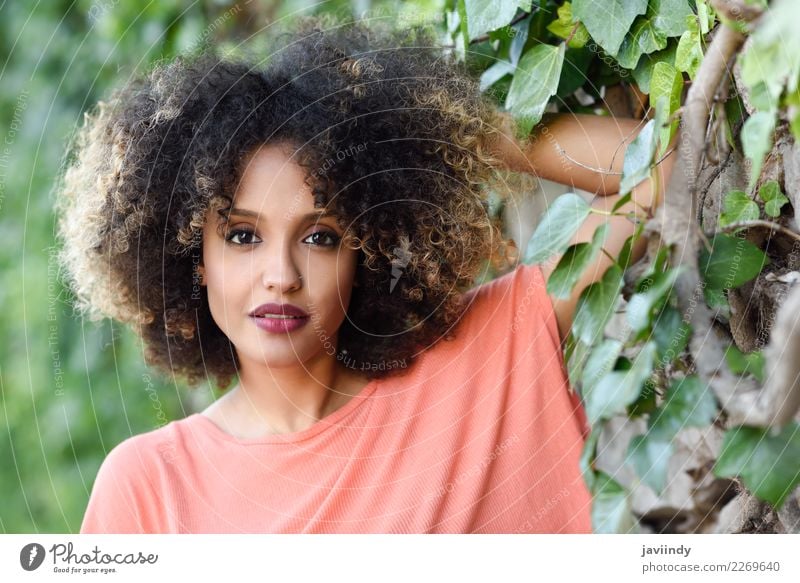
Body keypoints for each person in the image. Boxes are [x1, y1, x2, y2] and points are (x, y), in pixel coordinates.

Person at [58, 16, 675, 534]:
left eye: (320, 237)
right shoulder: (149, 489)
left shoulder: (490, 353)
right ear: (192, 256)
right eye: (243, 236)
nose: (281, 275)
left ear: (368, 250)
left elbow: (670, 160)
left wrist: (459, 141)